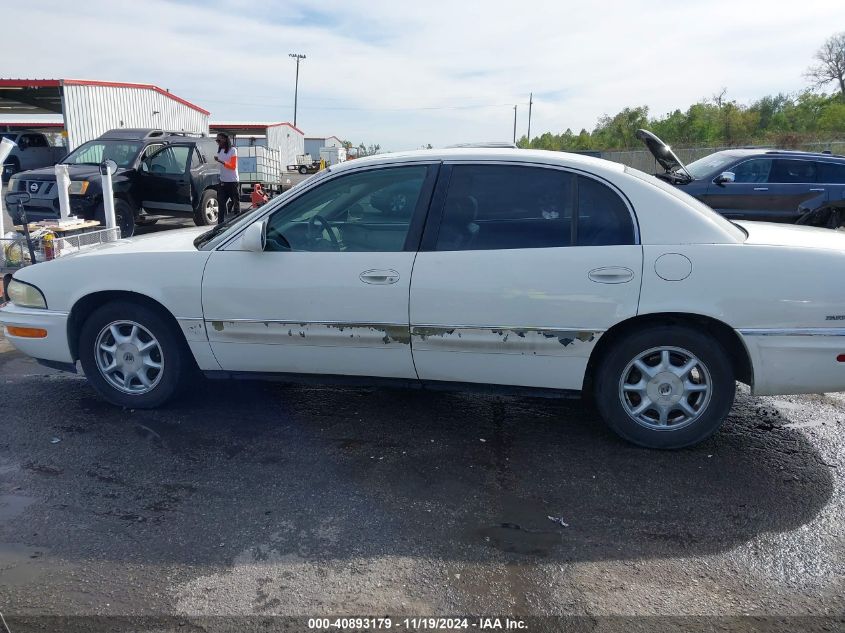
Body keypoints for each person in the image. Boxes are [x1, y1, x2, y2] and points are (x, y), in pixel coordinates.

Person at [213, 133, 239, 225]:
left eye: (219, 140)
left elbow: (233, 166)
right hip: (223, 182)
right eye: (217, 141)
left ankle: (238, 225)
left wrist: (220, 161)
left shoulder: (233, 150)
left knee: (236, 205)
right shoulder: (220, 151)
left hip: (232, 182)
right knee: (221, 205)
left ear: (225, 139)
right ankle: (220, 225)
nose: (218, 142)